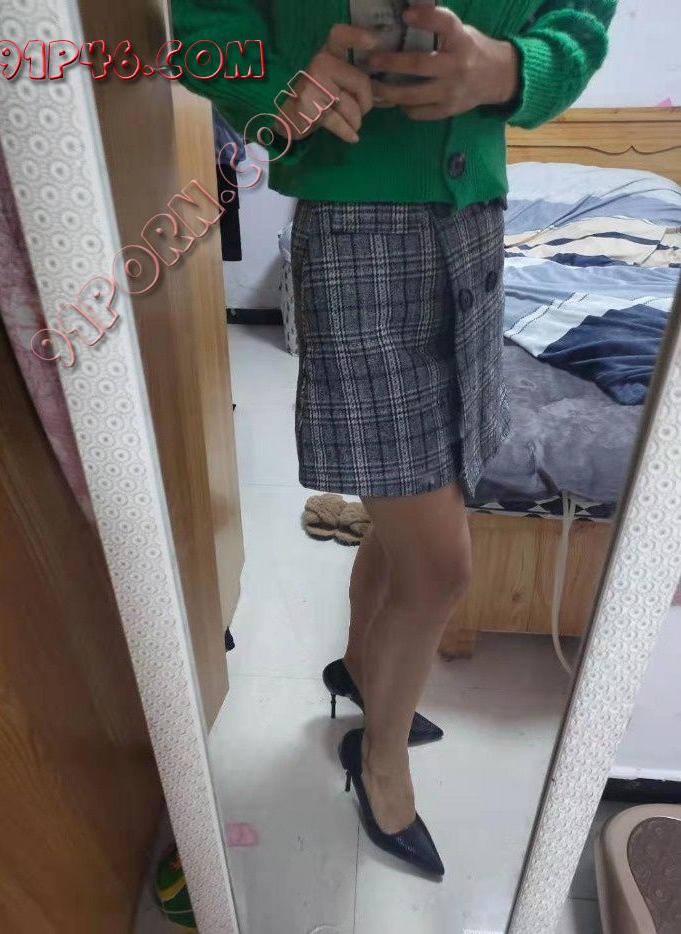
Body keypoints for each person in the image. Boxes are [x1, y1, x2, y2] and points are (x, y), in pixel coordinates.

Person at [173, 0, 617, 877]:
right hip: (355, 230)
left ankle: (359, 667)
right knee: (443, 565)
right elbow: (199, 26)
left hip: (477, 219)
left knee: (425, 485)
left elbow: (581, 17)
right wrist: (277, 89)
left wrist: (514, 68)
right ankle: (378, 762)